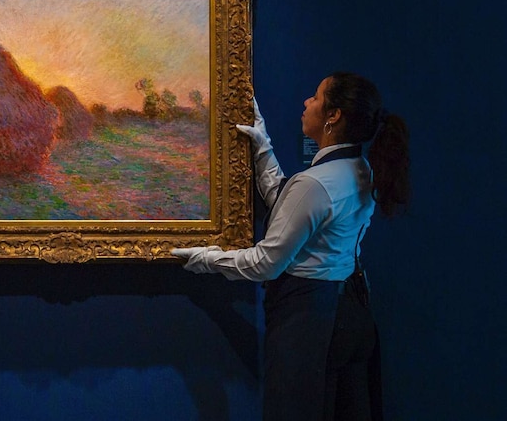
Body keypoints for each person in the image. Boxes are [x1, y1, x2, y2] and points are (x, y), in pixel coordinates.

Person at [172, 72, 410, 421]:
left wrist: (205, 258)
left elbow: (266, 263)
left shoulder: (315, 184)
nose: (306, 103)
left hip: (310, 323)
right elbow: (291, 203)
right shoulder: (361, 169)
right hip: (353, 314)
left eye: (315, 97)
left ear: (334, 116)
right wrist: (261, 144)